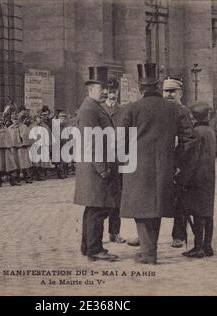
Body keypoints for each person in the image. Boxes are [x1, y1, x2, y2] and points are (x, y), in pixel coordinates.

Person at [119, 64, 196, 264]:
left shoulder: (131, 109)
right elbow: (189, 139)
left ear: (140, 88)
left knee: (142, 209)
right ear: (158, 85)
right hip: (164, 166)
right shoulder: (175, 109)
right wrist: (176, 160)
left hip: (136, 167)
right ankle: (148, 250)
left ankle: (148, 253)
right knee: (156, 206)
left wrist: (126, 158)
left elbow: (120, 141)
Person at [74, 66, 121, 262]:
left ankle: (88, 247)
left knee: (92, 208)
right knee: (98, 208)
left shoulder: (92, 107)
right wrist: (102, 168)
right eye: (102, 88)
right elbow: (91, 141)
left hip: (94, 166)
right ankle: (95, 248)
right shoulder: (89, 109)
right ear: (92, 88)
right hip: (96, 168)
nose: (105, 91)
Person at [176, 102, 215, 258]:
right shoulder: (210, 131)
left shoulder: (196, 133)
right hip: (209, 177)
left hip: (196, 178)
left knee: (197, 213)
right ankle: (207, 246)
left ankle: (198, 247)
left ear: (193, 117)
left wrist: (182, 179)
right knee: (208, 213)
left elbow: (191, 159)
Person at [162, 76, 192, 249]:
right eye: (166, 91)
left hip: (177, 165)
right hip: (160, 162)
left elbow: (187, 140)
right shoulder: (160, 111)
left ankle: (179, 235)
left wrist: (178, 164)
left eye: (172, 91)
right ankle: (147, 234)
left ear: (180, 92)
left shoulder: (183, 112)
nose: (168, 95)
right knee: (154, 199)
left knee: (180, 200)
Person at [100, 77, 126, 244]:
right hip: (102, 159)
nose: (112, 95)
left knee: (117, 198)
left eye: (115, 92)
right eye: (109, 92)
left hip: (117, 159)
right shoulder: (99, 110)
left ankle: (114, 232)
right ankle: (97, 235)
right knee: (101, 198)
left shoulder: (122, 111)